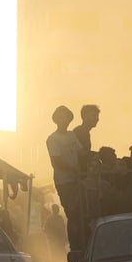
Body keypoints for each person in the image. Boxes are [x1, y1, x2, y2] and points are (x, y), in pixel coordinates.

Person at [46, 105, 84, 252]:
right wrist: (75, 169)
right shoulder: (52, 139)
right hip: (64, 181)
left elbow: (81, 153)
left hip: (77, 179)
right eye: (60, 117)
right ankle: (75, 247)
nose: (64, 120)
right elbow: (58, 161)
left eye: (66, 117)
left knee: (81, 211)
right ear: (56, 119)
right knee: (72, 212)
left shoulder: (72, 136)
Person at [72, 104, 101, 171]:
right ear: (85, 116)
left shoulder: (85, 132)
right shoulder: (79, 131)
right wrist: (99, 154)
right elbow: (81, 154)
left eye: (97, 116)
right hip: (79, 171)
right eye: (94, 116)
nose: (97, 119)